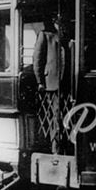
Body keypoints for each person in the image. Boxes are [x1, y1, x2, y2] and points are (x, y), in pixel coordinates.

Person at [33, 15, 66, 153]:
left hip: (66, 82)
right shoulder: (45, 35)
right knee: (56, 116)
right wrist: (40, 81)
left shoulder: (66, 36)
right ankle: (55, 149)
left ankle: (62, 147)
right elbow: (37, 60)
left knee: (64, 116)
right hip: (52, 83)